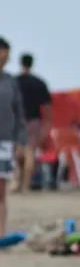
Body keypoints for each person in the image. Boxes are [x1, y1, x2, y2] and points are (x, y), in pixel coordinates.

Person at [14, 53, 52, 193]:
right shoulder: (39, 83)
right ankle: (26, 184)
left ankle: (17, 182)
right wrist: (46, 126)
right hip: (34, 121)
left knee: (18, 152)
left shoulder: (13, 81)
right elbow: (47, 107)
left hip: (17, 121)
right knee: (30, 152)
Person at [0, 38, 26, 237]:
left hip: (5, 142)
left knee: (1, 192)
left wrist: (20, 140)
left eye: (7, 56)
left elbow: (19, 113)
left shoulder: (11, 82)